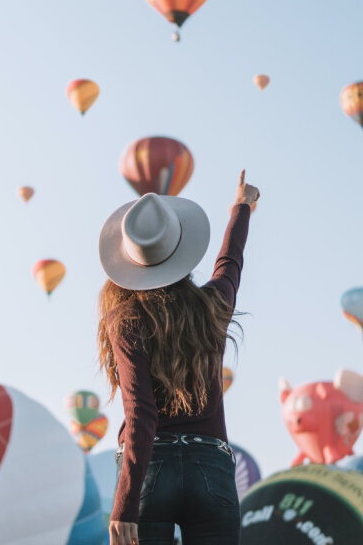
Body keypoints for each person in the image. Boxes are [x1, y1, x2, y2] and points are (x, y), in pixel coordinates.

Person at [98, 170, 259, 545]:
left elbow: (141, 414)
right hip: (212, 470)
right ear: (180, 250)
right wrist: (242, 206)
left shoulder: (126, 320)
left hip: (149, 471)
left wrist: (124, 504)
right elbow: (229, 263)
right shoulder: (212, 306)